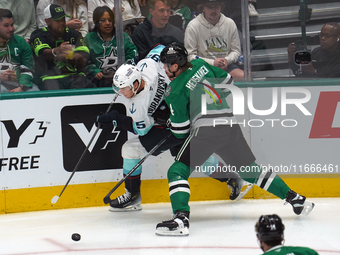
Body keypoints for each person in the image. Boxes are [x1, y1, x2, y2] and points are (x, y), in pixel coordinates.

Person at [155, 43, 315, 236]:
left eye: (166, 65)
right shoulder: (201, 66)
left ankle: (181, 220)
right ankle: (295, 198)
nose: (164, 68)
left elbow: (180, 132)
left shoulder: (174, 89)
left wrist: (172, 124)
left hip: (206, 130)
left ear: (175, 65)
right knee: (250, 171)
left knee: (177, 171)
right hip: (230, 125)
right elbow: (228, 80)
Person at [95, 45, 244, 211]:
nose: (121, 92)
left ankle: (132, 195)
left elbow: (141, 131)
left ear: (135, 83)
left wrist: (118, 120)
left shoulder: (138, 107)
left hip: (182, 114)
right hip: (172, 120)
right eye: (119, 88)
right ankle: (232, 178)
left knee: (131, 150)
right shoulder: (146, 64)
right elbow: (158, 48)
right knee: (190, 154)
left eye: (123, 88)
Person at [30, 4, 95, 90]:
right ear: (47, 21)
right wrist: (56, 52)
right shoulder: (39, 34)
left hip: (74, 75)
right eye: (57, 20)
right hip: (50, 76)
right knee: (53, 92)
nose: (61, 23)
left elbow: (85, 55)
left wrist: (75, 57)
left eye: (63, 19)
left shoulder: (74, 33)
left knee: (87, 85)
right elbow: (44, 53)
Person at [184, 0, 244, 80]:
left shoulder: (230, 23)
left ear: (221, 7)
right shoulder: (193, 26)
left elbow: (236, 51)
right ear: (203, 8)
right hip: (202, 67)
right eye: (209, 7)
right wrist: (212, 63)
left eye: (216, 7)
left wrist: (226, 60)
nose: (213, 10)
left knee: (243, 76)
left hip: (226, 66)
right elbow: (190, 56)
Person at [84, 6, 138, 87]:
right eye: (103, 20)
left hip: (123, 80)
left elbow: (133, 54)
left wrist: (124, 71)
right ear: (96, 22)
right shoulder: (89, 38)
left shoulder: (123, 37)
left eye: (110, 20)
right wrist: (95, 71)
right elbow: (85, 60)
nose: (107, 23)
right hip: (97, 81)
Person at [0, 9, 39, 93]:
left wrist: (22, 87)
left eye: (12, 25)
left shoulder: (21, 42)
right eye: (6, 25)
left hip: (18, 83)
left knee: (35, 92)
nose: (11, 29)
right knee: (2, 91)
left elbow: (28, 68)